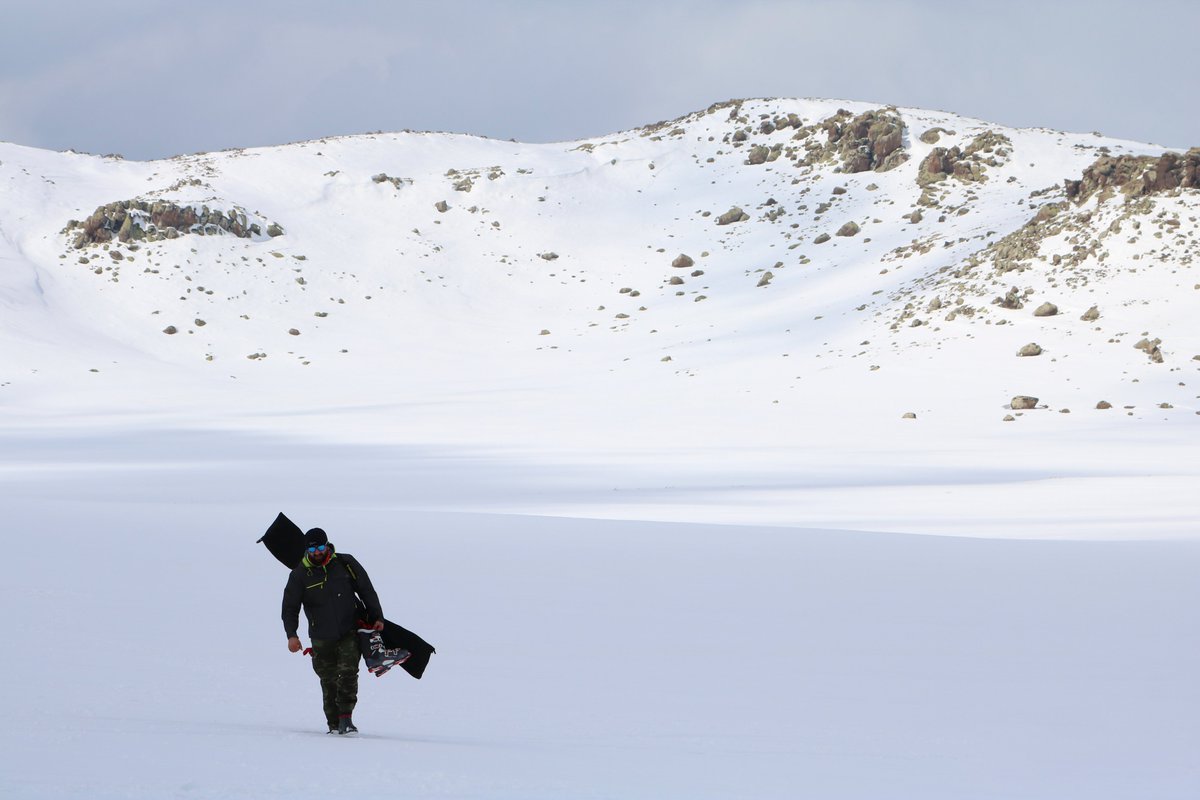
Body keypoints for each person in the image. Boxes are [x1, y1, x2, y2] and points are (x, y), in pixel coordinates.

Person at [282, 527, 385, 735]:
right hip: (321, 636)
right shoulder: (299, 575)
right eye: (313, 549)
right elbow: (289, 608)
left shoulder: (345, 564)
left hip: (349, 629)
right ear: (307, 550)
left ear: (327, 545)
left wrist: (377, 617)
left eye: (321, 547)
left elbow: (366, 588)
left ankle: (346, 719)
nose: (318, 553)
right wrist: (292, 635)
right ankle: (333, 723)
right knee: (328, 679)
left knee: (348, 672)